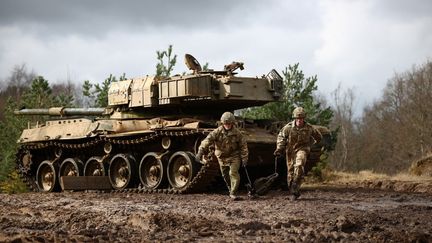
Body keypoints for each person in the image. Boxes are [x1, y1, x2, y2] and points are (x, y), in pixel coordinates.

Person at [196, 112, 248, 200]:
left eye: (229, 123)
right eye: (225, 123)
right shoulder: (217, 132)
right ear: (222, 123)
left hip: (234, 156)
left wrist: (244, 157)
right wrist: (200, 151)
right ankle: (230, 189)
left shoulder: (237, 133)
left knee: (233, 172)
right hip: (222, 157)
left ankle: (233, 192)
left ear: (232, 123)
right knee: (225, 175)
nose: (227, 125)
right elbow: (207, 140)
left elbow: (243, 146)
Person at [274, 107, 322, 200]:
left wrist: (312, 146)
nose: (299, 120)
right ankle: (293, 190)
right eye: (297, 118)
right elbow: (281, 137)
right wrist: (279, 148)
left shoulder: (309, 128)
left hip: (302, 149)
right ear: (294, 118)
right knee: (291, 171)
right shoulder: (288, 127)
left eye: (301, 118)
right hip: (290, 151)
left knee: (299, 165)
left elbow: (318, 137)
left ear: (304, 118)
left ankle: (296, 185)